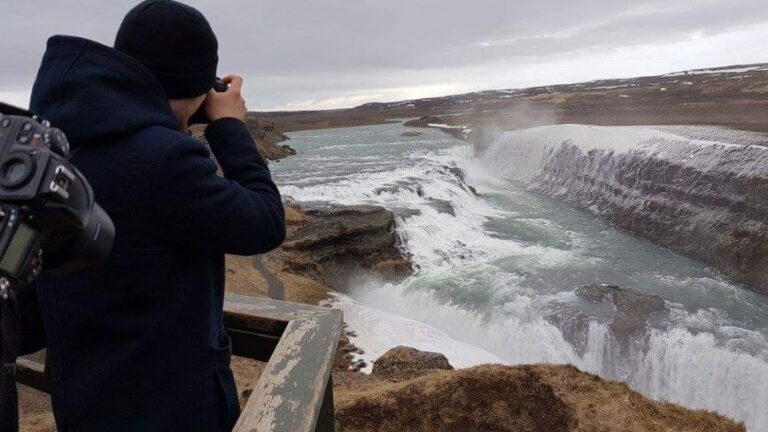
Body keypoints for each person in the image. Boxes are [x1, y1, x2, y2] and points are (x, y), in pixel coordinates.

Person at [28, 1, 286, 430]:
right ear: (196, 87)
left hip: (87, 400)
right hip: (169, 407)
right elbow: (264, 223)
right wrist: (229, 127)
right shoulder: (162, 160)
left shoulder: (62, 142)